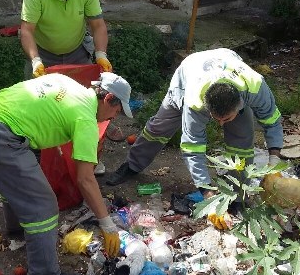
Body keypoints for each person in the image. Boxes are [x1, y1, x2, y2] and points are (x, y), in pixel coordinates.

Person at [0, 72, 132, 275]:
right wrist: (107, 224)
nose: (113, 118)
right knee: (44, 206)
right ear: (108, 98)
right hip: (1, 136)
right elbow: (85, 179)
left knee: (21, 179)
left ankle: (17, 227)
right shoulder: (86, 118)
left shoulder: (66, 82)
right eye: (116, 111)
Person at [106, 48, 284, 199]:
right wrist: (206, 192)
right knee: (159, 128)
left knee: (242, 143)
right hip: (189, 72)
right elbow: (192, 147)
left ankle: (237, 196)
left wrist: (274, 161)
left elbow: (272, 121)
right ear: (205, 107)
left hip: (227, 59)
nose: (221, 125)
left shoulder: (255, 86)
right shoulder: (193, 99)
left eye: (227, 119)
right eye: (216, 119)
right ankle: (131, 166)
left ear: (240, 105)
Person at [20, 0, 112, 79]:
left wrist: (101, 55)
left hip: (78, 52)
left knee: (85, 94)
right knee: (42, 97)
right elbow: (27, 30)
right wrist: (35, 61)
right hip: (43, 55)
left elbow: (98, 25)